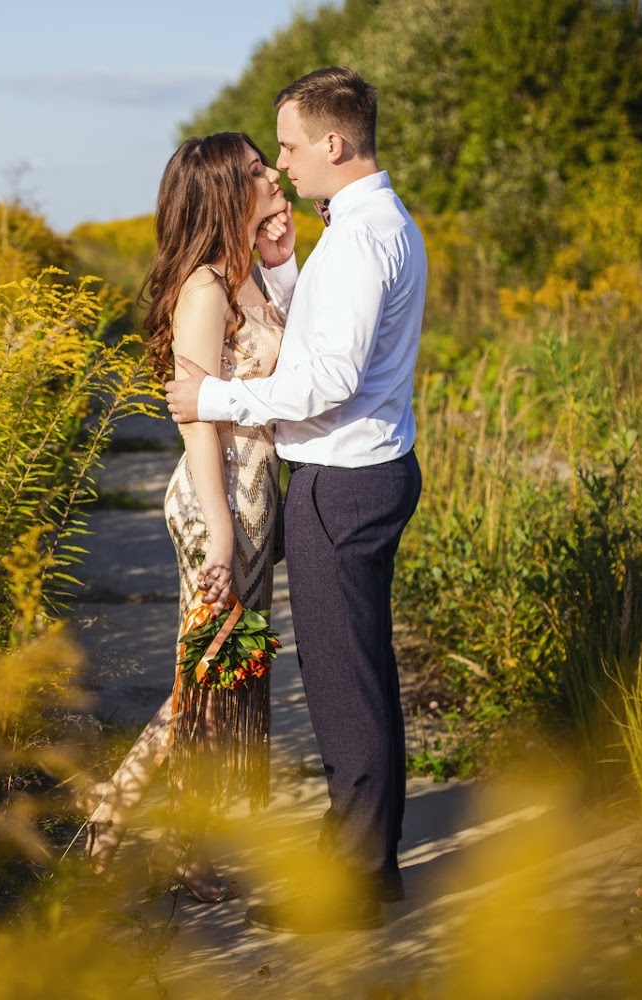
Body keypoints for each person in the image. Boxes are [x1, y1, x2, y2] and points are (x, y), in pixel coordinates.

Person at [164, 66, 426, 932]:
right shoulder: (371, 225)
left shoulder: (357, 239)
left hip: (342, 489)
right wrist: (280, 270)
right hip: (367, 475)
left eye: (287, 144)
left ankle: (350, 886)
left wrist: (216, 401)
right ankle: (366, 859)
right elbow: (312, 335)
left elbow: (325, 379)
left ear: (333, 144)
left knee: (344, 687)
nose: (281, 163)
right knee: (366, 674)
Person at [80, 131, 289, 902]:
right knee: (202, 682)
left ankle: (180, 834)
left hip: (257, 498)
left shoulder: (248, 279)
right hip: (217, 504)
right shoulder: (204, 288)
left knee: (226, 679)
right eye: (259, 172)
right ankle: (136, 813)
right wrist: (224, 531)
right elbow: (195, 419)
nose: (274, 176)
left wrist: (278, 257)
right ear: (228, 193)